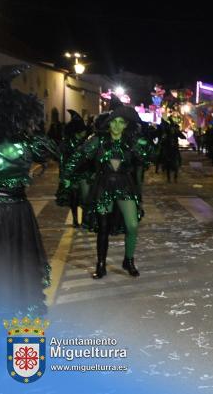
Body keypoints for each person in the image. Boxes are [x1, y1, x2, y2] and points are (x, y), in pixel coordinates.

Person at [61, 105, 152, 279]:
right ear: (108, 124)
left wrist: (144, 143)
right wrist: (66, 174)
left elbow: (147, 158)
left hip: (125, 186)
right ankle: (101, 265)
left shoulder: (130, 142)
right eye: (113, 122)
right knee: (103, 228)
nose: (117, 126)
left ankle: (128, 260)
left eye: (121, 123)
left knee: (132, 225)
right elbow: (78, 156)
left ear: (126, 125)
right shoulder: (97, 140)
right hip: (103, 186)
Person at [0, 65, 58, 316]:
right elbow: (53, 151)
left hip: (17, 211)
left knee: (14, 261)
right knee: (15, 262)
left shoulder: (26, 143)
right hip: (16, 211)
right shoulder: (27, 143)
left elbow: (53, 151)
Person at [55, 110, 92, 227]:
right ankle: (76, 221)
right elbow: (62, 161)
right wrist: (63, 177)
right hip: (71, 175)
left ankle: (85, 220)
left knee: (86, 198)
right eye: (83, 130)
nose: (85, 132)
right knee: (74, 199)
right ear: (77, 131)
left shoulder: (86, 143)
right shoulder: (66, 144)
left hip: (84, 174)